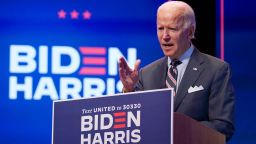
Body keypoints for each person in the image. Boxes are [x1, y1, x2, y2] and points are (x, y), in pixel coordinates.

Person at [118, 0, 235, 141]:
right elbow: (131, 124)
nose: (165, 36)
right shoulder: (146, 73)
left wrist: (176, 129)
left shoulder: (216, 69)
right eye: (160, 28)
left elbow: (223, 127)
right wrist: (129, 90)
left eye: (172, 29)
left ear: (190, 31)